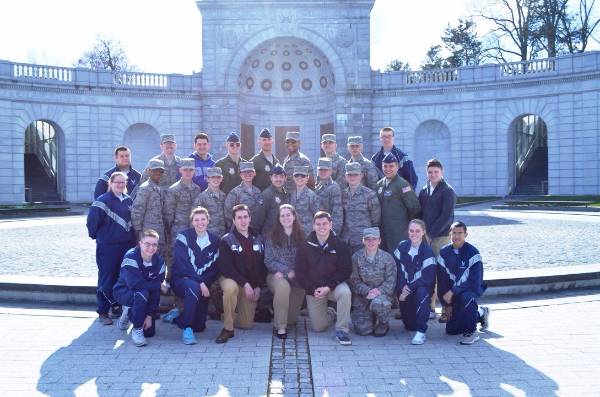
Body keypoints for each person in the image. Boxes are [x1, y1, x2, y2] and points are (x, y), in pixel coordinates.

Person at [295, 212, 353, 345]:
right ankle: (331, 313)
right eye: (318, 224)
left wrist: (329, 287)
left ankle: (342, 330)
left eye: (325, 224)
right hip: (314, 289)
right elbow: (300, 272)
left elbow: (346, 270)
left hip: (333, 286)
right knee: (318, 327)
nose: (322, 227)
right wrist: (311, 288)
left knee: (345, 293)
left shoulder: (340, 245)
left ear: (331, 225)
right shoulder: (305, 246)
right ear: (313, 226)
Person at [87, 172, 136, 325]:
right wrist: (104, 238)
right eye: (117, 182)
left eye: (123, 182)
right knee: (107, 277)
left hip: (126, 246)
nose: (121, 185)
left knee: (123, 278)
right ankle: (103, 311)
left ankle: (118, 307)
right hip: (108, 247)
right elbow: (92, 224)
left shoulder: (128, 200)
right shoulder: (102, 201)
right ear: (111, 183)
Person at [216, 204, 266, 344]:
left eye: (245, 217)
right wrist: (245, 284)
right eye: (239, 218)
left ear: (250, 218)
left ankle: (226, 315)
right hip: (231, 278)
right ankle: (228, 329)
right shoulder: (227, 240)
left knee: (246, 324)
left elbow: (263, 266)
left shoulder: (259, 238)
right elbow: (226, 268)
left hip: (250, 284)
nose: (243, 221)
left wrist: (258, 287)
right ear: (233, 220)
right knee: (231, 288)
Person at [171, 207, 221, 345]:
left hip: (201, 284)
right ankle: (186, 329)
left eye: (203, 219)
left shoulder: (215, 241)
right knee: (193, 287)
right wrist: (200, 282)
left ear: (208, 220)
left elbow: (215, 268)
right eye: (196, 220)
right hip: (181, 280)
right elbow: (182, 264)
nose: (200, 223)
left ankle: (178, 317)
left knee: (199, 326)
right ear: (192, 222)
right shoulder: (183, 237)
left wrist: (203, 282)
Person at [437, 221, 490, 345]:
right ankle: (481, 313)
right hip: (453, 295)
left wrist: (453, 291)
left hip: (471, 290)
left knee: (466, 297)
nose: (456, 236)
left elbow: (475, 281)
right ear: (450, 234)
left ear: (466, 234)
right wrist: (447, 304)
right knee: (451, 330)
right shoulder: (444, 253)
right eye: (454, 233)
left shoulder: (473, 253)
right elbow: (442, 280)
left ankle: (471, 332)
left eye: (460, 233)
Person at [112, 229, 167, 347]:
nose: (151, 248)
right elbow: (135, 284)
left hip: (144, 294)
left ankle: (129, 312)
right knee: (141, 293)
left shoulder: (160, 262)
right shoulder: (131, 257)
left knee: (150, 333)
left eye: (154, 244)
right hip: (124, 291)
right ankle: (136, 329)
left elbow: (156, 291)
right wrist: (157, 285)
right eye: (147, 244)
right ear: (140, 243)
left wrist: (149, 316)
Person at [418, 158, 457, 322]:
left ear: (442, 172)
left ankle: (448, 309)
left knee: (443, 274)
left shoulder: (447, 191)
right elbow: (420, 213)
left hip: (440, 237)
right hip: (426, 237)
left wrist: (430, 233)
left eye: (436, 172)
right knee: (428, 273)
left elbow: (446, 217)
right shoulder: (424, 190)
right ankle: (431, 307)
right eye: (430, 172)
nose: (433, 174)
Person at [264, 204, 306, 339]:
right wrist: (286, 271)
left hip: (297, 277)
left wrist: (295, 272)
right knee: (283, 287)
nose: (286, 218)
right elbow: (269, 260)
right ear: (279, 219)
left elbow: (307, 260)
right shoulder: (271, 237)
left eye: (288, 215)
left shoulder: (303, 236)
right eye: (282, 215)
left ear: (294, 217)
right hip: (275, 275)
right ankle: (280, 327)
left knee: (292, 320)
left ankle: (280, 315)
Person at [393, 219, 436, 345]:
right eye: (411, 231)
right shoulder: (402, 246)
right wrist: (401, 289)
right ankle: (415, 321)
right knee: (410, 326)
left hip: (420, 289)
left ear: (423, 232)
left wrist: (408, 288)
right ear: (408, 232)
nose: (414, 234)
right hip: (405, 290)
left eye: (418, 231)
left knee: (422, 291)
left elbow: (428, 279)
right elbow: (397, 271)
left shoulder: (427, 251)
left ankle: (422, 332)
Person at [349, 227, 396, 337]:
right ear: (363, 241)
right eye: (367, 239)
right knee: (363, 331)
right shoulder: (356, 258)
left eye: (374, 239)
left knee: (378, 304)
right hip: (363, 297)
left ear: (379, 241)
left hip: (381, 297)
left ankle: (383, 323)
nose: (371, 242)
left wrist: (377, 292)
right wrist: (368, 291)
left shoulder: (387, 258)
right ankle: (370, 317)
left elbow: (391, 282)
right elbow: (354, 281)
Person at [164, 158, 202, 279]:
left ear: (194, 171)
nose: (188, 172)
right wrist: (170, 230)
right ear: (180, 170)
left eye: (190, 170)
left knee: (192, 256)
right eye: (185, 169)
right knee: (176, 257)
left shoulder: (197, 189)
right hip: (178, 229)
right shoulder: (173, 189)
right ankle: (172, 284)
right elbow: (168, 213)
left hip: (194, 229)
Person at [377, 153, 421, 254]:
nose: (388, 169)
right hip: (383, 233)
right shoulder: (379, 185)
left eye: (391, 166)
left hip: (399, 233)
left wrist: (409, 229)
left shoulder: (402, 184)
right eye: (385, 166)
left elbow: (415, 208)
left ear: (397, 167)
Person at [341, 162, 381, 254]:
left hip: (363, 240)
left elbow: (376, 220)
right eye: (349, 175)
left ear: (361, 176)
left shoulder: (370, 195)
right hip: (346, 239)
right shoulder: (343, 194)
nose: (352, 177)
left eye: (355, 175)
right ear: (346, 177)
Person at [131, 159, 168, 257]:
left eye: (161, 171)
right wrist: (139, 234)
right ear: (148, 171)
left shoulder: (158, 188)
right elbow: (136, 213)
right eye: (155, 170)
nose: (158, 173)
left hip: (158, 235)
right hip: (147, 237)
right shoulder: (145, 189)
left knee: (159, 265)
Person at [224, 161, 263, 230]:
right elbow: (228, 214)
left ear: (254, 173)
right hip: (241, 231)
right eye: (244, 172)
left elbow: (261, 211)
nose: (247, 174)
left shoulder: (258, 191)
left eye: (250, 172)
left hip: (256, 230)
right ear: (240, 174)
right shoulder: (235, 193)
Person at [254, 164, 288, 236]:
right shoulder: (266, 195)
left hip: (283, 235)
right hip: (269, 237)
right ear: (271, 178)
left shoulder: (286, 194)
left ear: (285, 178)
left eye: (281, 177)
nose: (278, 179)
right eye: (275, 176)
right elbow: (259, 220)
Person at [193, 167, 227, 237]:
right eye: (213, 177)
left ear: (221, 179)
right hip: (207, 236)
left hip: (222, 234)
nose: (216, 179)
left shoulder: (223, 196)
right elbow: (195, 219)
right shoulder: (202, 197)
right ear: (207, 179)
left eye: (218, 177)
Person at [315, 158, 343, 236]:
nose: (323, 172)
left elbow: (337, 213)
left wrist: (333, 233)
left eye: (326, 170)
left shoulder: (334, 187)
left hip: (327, 230)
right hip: (317, 229)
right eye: (321, 169)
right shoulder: (315, 185)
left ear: (330, 171)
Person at [289, 166, 320, 236]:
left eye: (303, 176)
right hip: (294, 233)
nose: (299, 178)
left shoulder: (312, 196)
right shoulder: (291, 195)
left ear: (307, 178)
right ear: (293, 178)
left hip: (308, 234)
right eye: (296, 175)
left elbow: (317, 217)